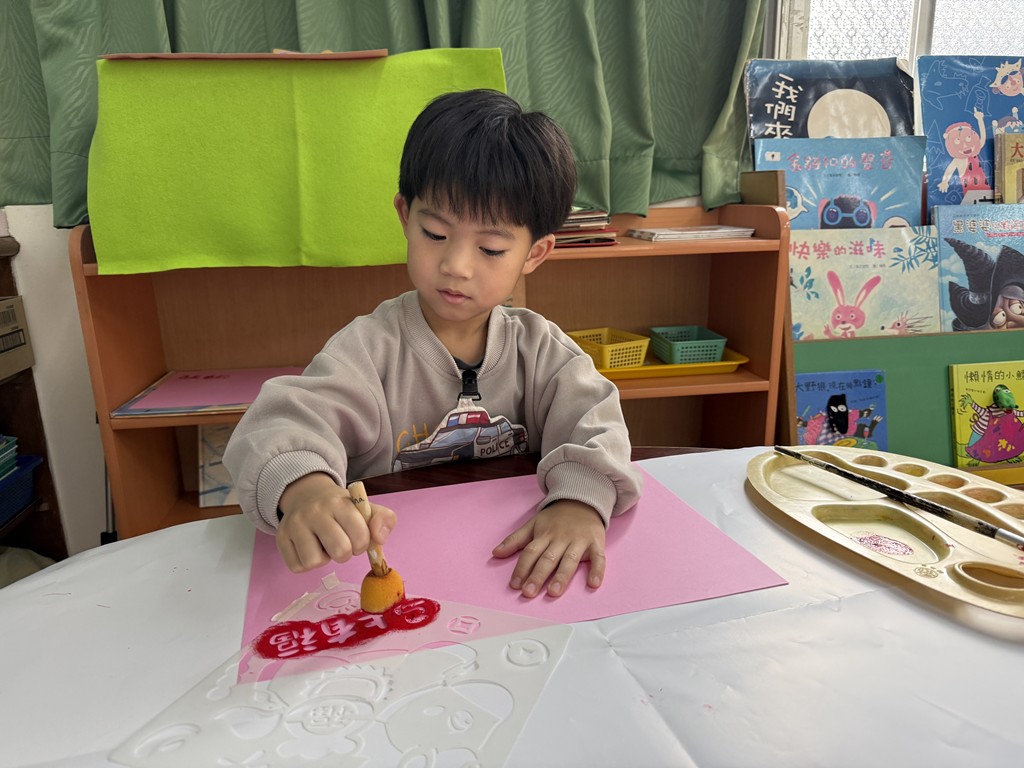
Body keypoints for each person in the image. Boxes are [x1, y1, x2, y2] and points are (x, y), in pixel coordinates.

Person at [224, 88, 642, 599]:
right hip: (395, 577)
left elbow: (597, 425)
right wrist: (305, 488)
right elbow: (280, 424)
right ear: (405, 216)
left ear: (534, 254)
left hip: (505, 579)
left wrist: (578, 502)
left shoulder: (541, 351)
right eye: (435, 234)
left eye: (491, 248)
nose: (456, 266)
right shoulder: (368, 350)